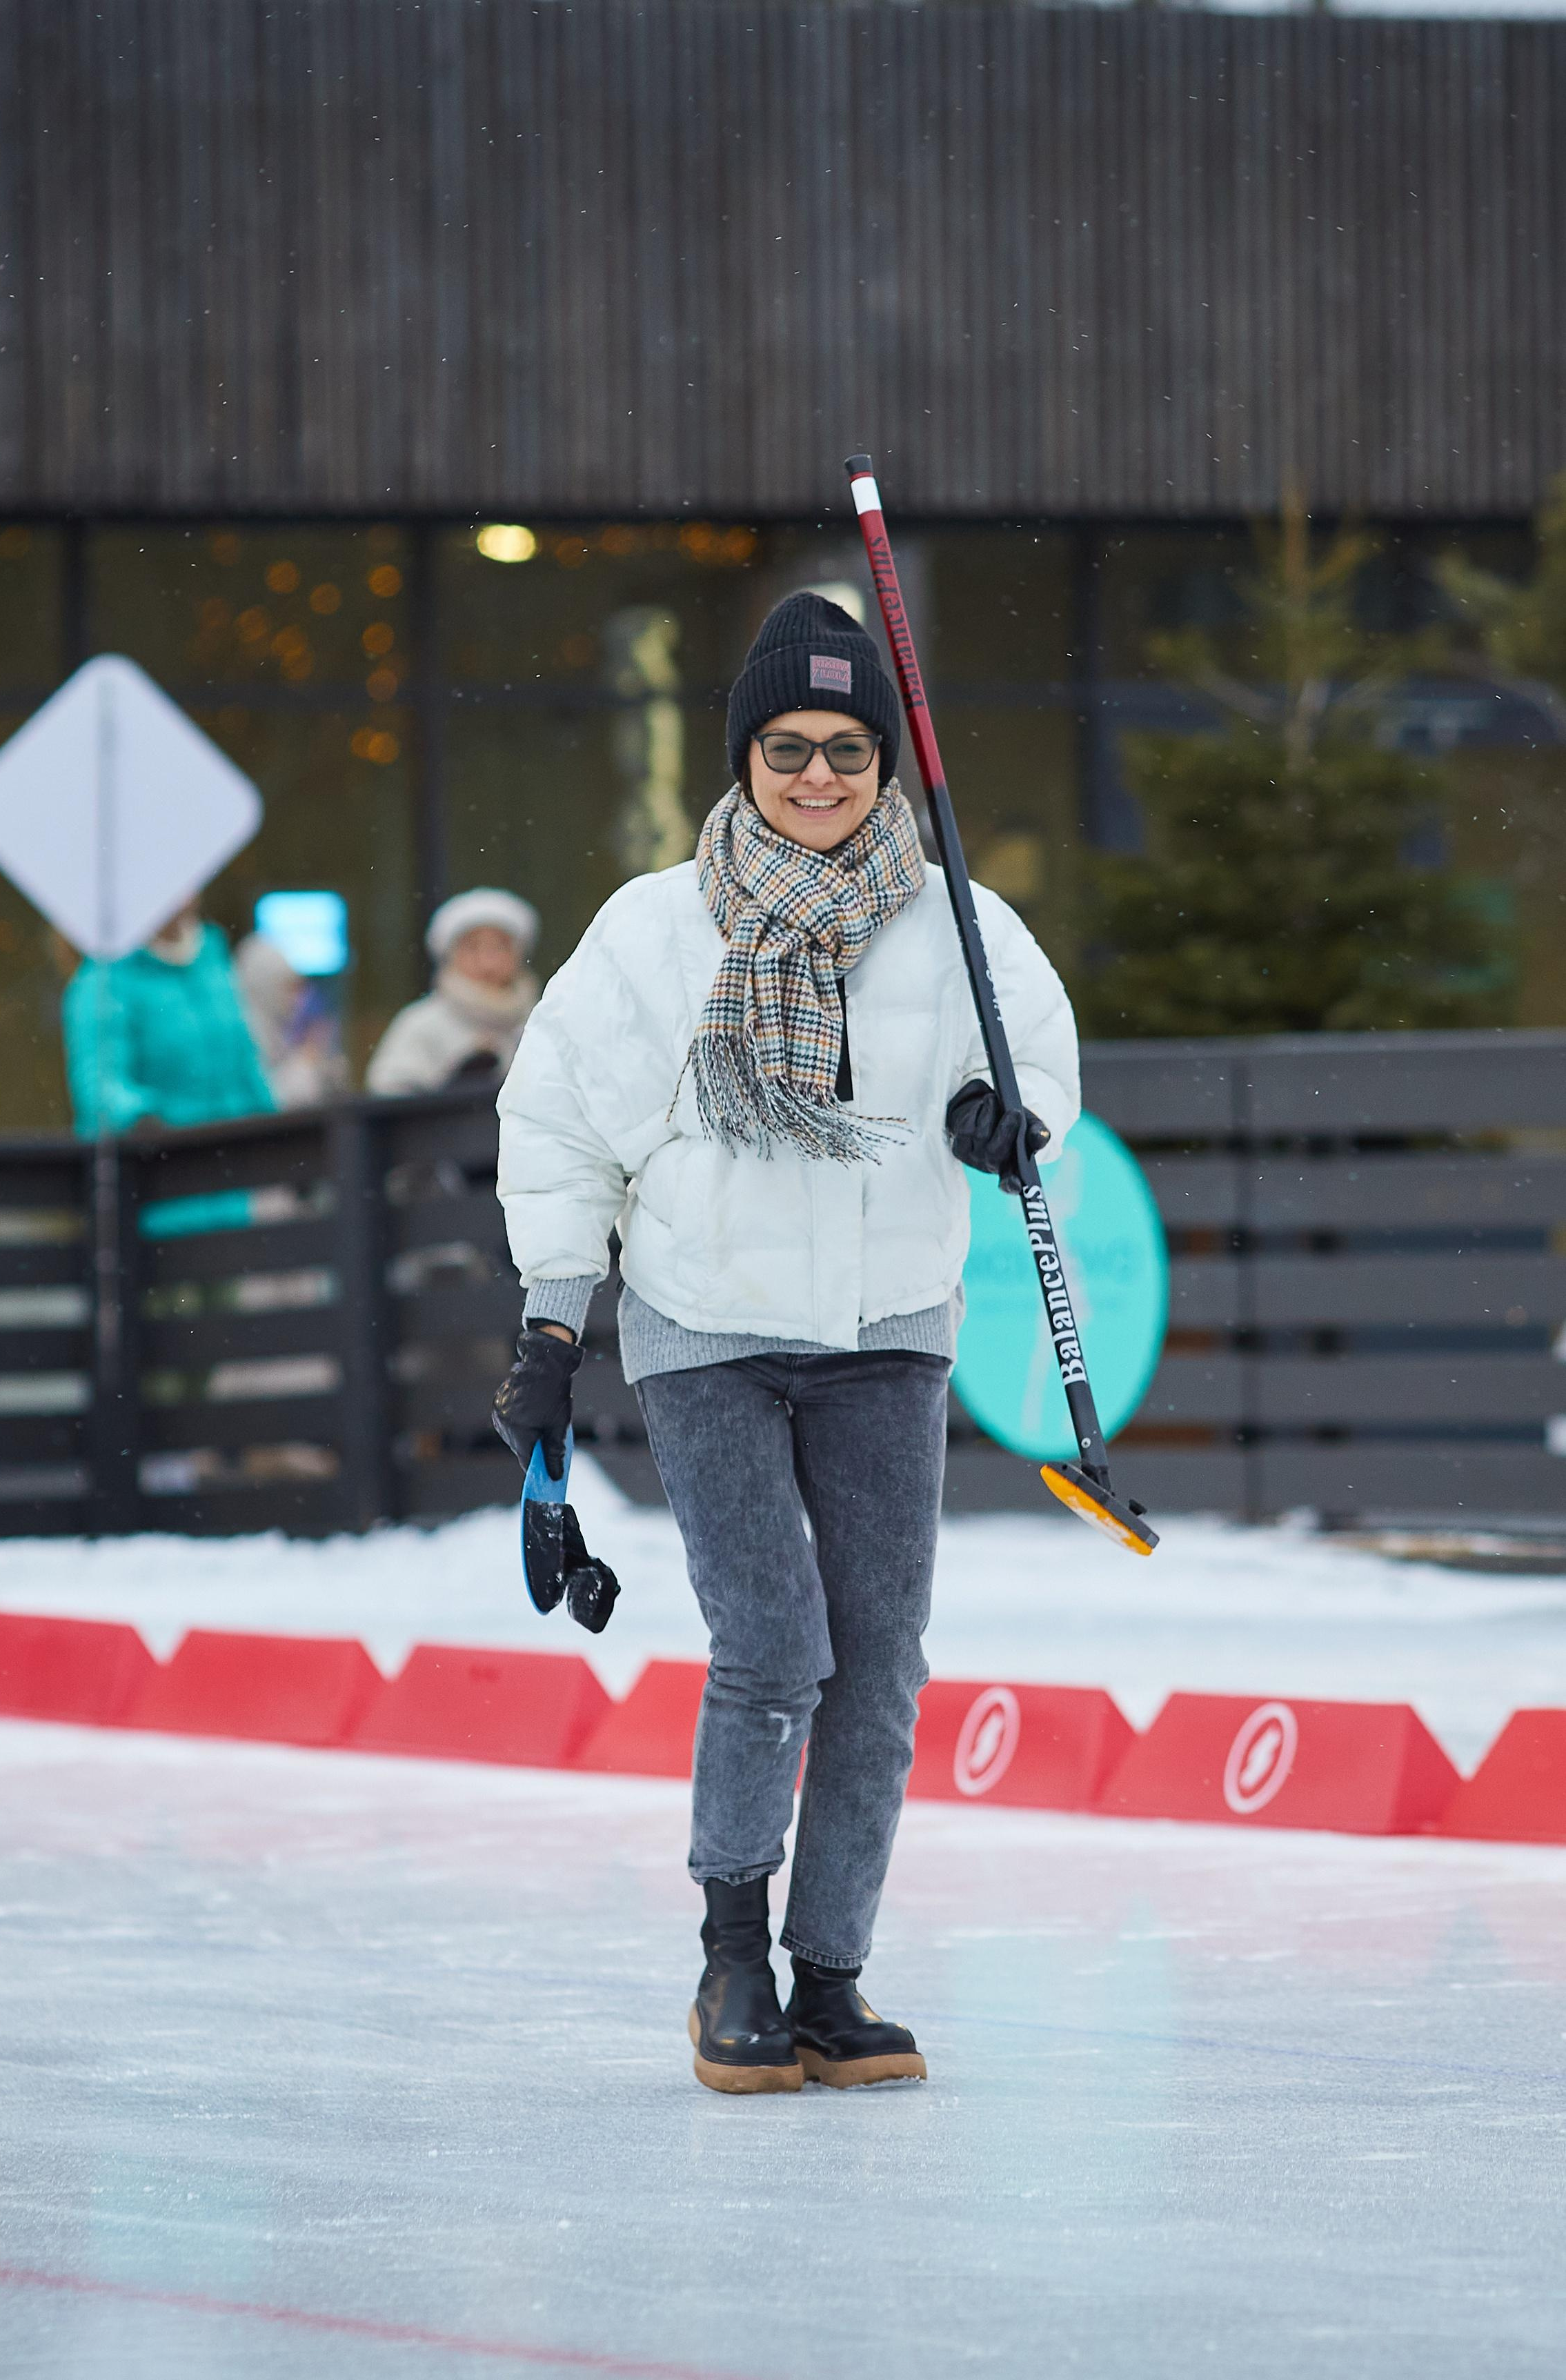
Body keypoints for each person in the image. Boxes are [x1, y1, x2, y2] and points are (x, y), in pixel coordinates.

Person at [494, 592, 1079, 2095]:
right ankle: (732, 1959)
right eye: (787, 748)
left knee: (879, 1665)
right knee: (772, 1646)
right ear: (742, 757)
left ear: (885, 761)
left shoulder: (957, 922)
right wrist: (554, 1317)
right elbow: (559, 1125)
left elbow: (1029, 1064)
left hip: (888, 1328)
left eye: (846, 749)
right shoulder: (653, 928)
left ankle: (830, 1977)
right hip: (706, 1329)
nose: (818, 775)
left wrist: (1006, 1120)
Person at [62, 898, 276, 1137]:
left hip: (239, 1145)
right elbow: (100, 1086)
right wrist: (144, 1123)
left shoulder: (212, 954)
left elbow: (247, 1061)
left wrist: (272, 1125)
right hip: (167, 1151)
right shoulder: (106, 977)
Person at [366, 889, 539, 1095]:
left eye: (499, 947)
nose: (488, 963)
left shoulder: (542, 1019)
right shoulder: (419, 1024)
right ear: (451, 956)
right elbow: (390, 1094)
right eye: (473, 948)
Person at [235, 931, 350, 1109]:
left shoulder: (276, 1031)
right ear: (267, 987)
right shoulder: (245, 1034)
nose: (298, 1000)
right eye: (289, 989)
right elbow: (268, 1103)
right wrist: (307, 1060)